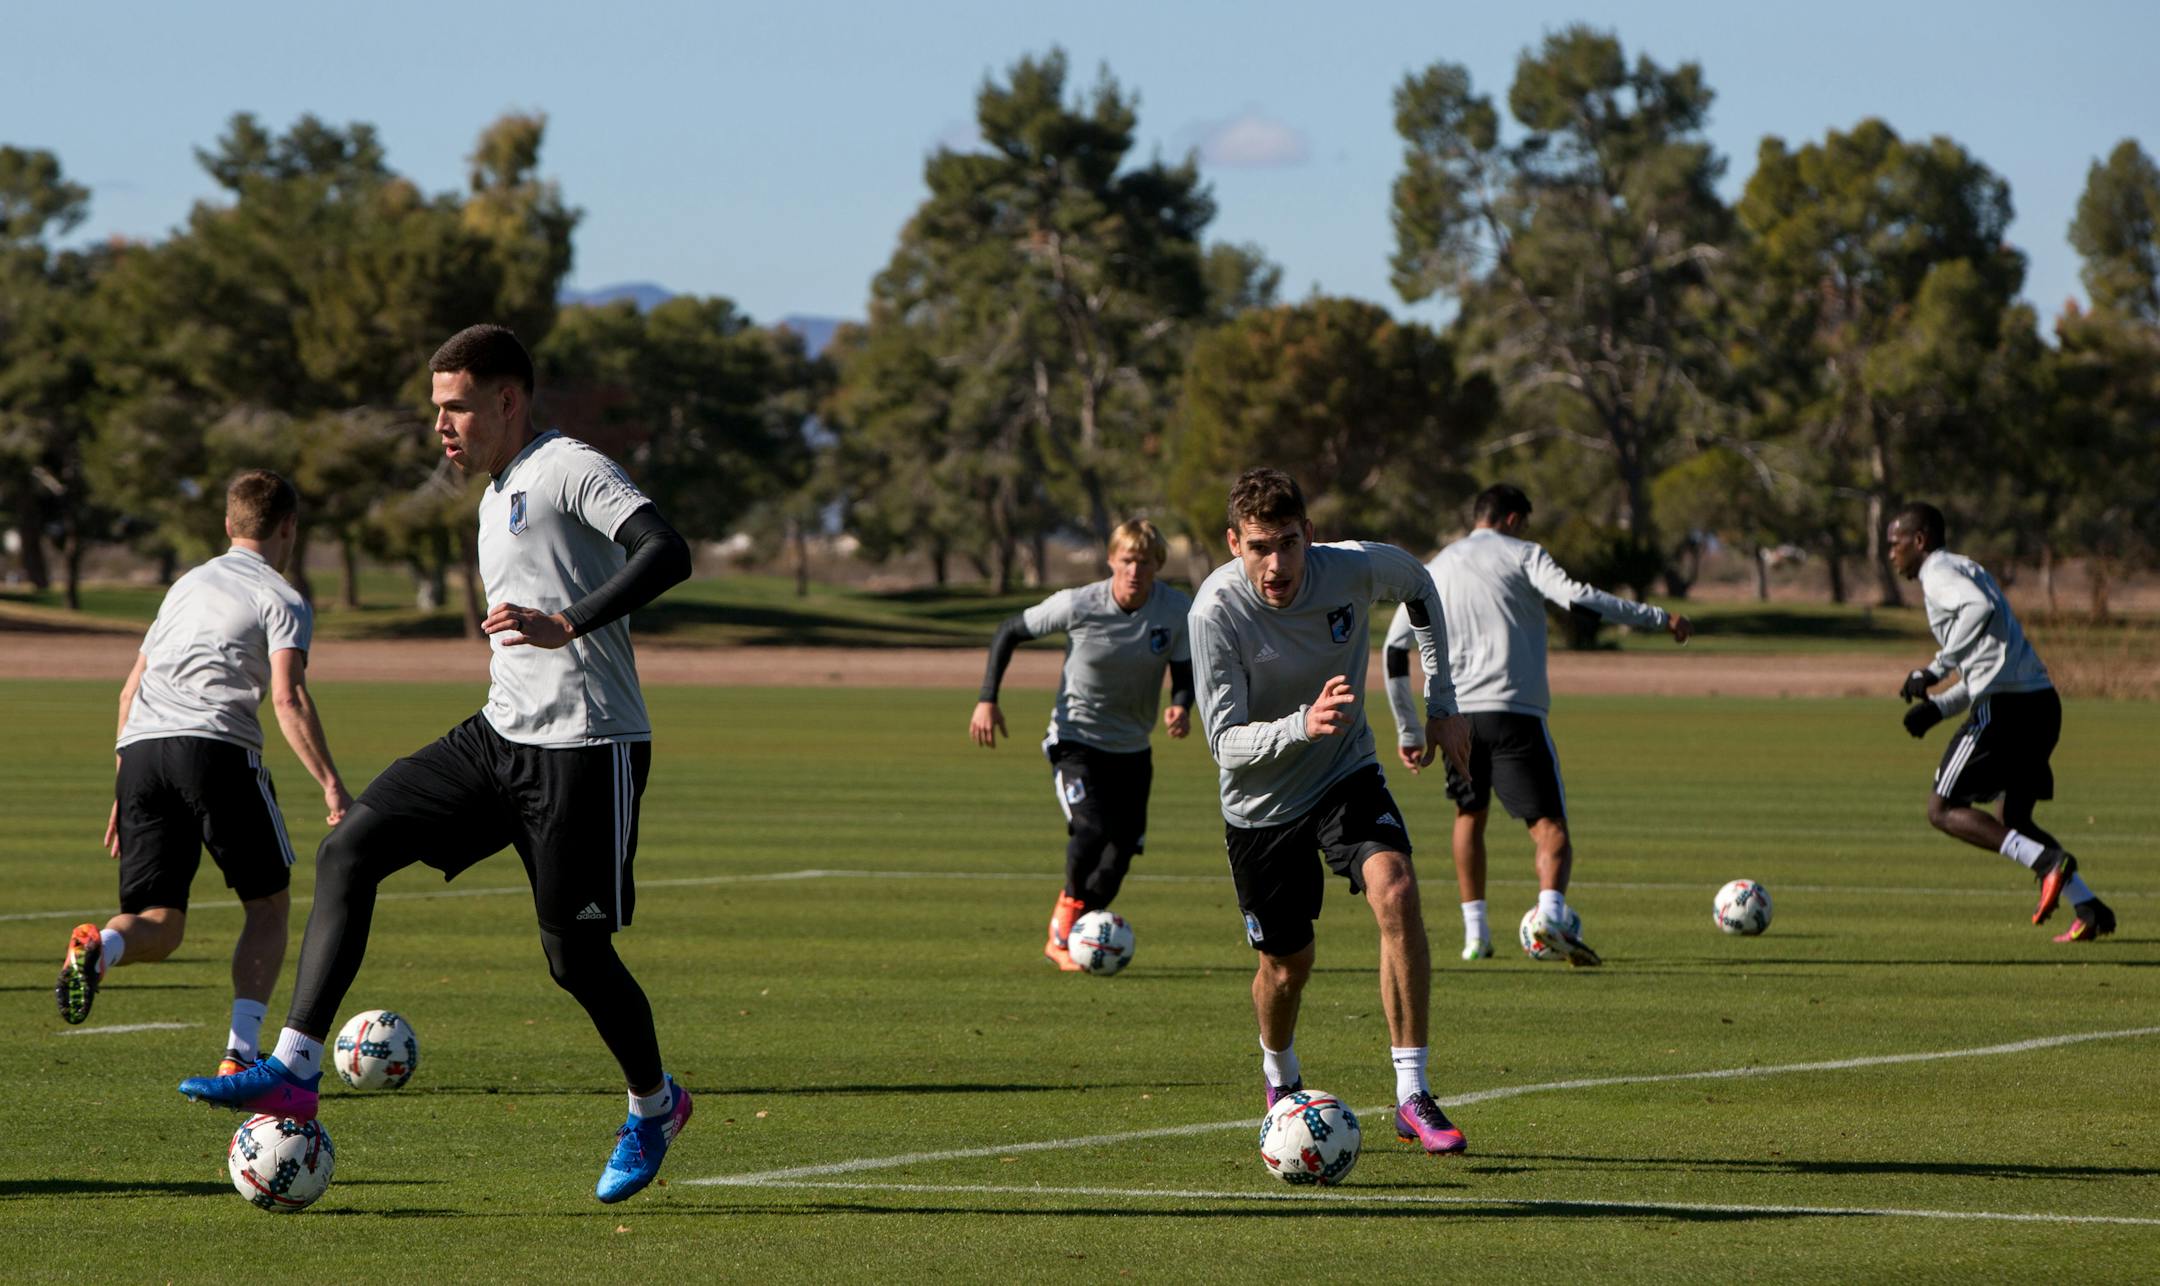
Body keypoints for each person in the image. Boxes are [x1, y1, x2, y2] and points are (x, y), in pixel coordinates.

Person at [179, 325, 700, 1203]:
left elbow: (667, 550)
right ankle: (295, 1070)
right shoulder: (497, 492)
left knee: (575, 959)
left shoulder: (568, 466)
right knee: (351, 848)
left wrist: (568, 621)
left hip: (586, 746)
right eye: (435, 410)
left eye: (455, 407)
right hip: (500, 736)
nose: (440, 427)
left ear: (508, 399)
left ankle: (655, 1105)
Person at [1187, 468, 1476, 1155]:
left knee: (1397, 891)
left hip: (1345, 773)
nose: (1276, 563)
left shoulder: (1351, 569)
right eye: (1259, 546)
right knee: (1288, 967)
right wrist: (1300, 724)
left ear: (1309, 535)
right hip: (1260, 807)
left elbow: (1421, 589)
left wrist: (1441, 706)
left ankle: (1412, 1093)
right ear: (1234, 544)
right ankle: (1279, 1073)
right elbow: (1224, 745)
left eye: (1288, 542)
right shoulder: (1213, 614)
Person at [57, 470, 351, 1083]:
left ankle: (101, 947)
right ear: (290, 528)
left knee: (159, 925)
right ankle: (241, 1052)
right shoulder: (283, 596)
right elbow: (288, 697)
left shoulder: (186, 585)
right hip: (215, 750)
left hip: (141, 752)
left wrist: (122, 782)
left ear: (228, 524)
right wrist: (330, 783)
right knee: (269, 904)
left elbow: (130, 687)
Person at [1382, 484, 1691, 964]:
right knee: (1550, 829)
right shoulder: (1524, 554)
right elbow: (1577, 598)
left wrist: (1407, 727)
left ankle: (1476, 937)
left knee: (1469, 816)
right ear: (1510, 520)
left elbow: (1393, 649)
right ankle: (1549, 916)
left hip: (1457, 716)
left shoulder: (1436, 566)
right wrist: (1656, 618)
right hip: (1513, 712)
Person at [971, 520, 1194, 969]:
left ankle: (1078, 932)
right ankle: (1063, 931)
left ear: (1158, 566)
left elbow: (1184, 670)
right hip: (1075, 742)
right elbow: (1008, 631)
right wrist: (987, 700)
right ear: (1112, 560)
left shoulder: (1176, 611)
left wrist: (1181, 706)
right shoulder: (1078, 604)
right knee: (1090, 830)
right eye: (1127, 560)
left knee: (1120, 854)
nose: (1135, 570)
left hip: (1133, 748)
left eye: (1145, 562)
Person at [1888, 502, 2114, 942]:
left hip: (2008, 710)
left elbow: (1977, 610)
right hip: (2042, 705)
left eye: (1894, 543)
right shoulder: (1966, 568)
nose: (1890, 553)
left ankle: (2049, 864)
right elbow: (1989, 665)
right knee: (2013, 819)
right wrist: (1939, 707)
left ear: (1920, 540)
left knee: (1943, 810)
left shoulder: (1938, 574)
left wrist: (1935, 668)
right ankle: (2088, 907)